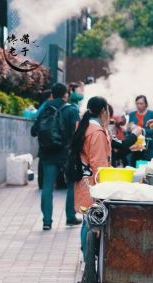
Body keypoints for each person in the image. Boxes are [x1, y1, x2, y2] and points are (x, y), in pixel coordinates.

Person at [31, 83, 82, 231]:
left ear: (52, 94)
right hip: (66, 153)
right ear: (66, 94)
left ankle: (47, 221)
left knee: (47, 187)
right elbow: (77, 133)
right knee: (72, 184)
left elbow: (34, 131)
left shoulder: (45, 108)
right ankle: (70, 217)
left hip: (47, 153)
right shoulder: (71, 109)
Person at [71, 96, 112, 254]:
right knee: (90, 220)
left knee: (86, 218)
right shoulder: (96, 132)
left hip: (83, 179)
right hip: (92, 183)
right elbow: (99, 164)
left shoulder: (85, 127)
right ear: (103, 111)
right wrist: (104, 187)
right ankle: (86, 256)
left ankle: (85, 255)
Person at [128, 95, 153, 166]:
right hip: (135, 146)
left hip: (147, 145)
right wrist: (130, 128)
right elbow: (128, 131)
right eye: (137, 103)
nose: (139, 105)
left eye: (141, 103)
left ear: (146, 104)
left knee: (146, 168)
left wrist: (141, 130)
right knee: (134, 167)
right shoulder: (132, 114)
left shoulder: (151, 114)